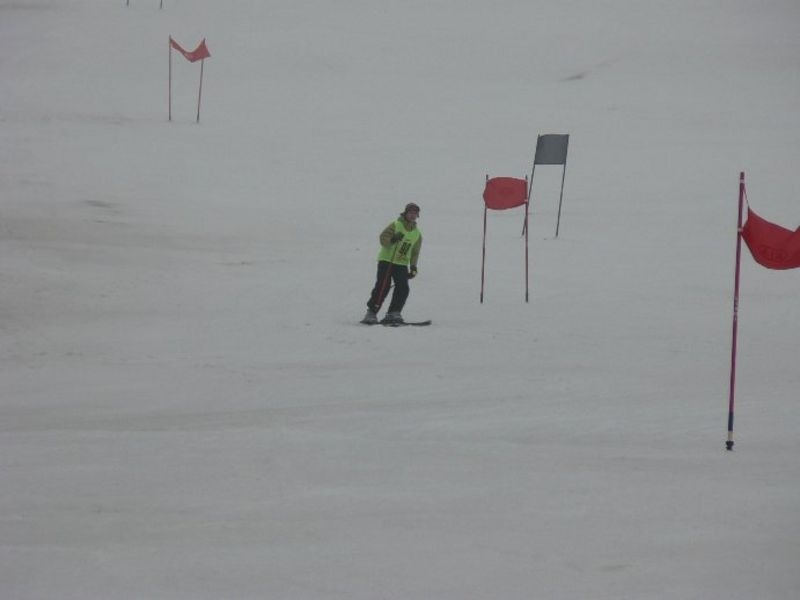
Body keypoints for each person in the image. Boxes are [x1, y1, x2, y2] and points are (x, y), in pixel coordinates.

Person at [362, 202, 423, 324]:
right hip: (387, 261)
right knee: (383, 286)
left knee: (403, 287)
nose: (412, 215)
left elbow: (415, 252)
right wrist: (393, 238)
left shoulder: (417, 234)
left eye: (415, 213)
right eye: (410, 213)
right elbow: (383, 239)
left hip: (401, 264)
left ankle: (394, 312)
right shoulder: (396, 225)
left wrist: (413, 267)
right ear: (405, 213)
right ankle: (371, 312)